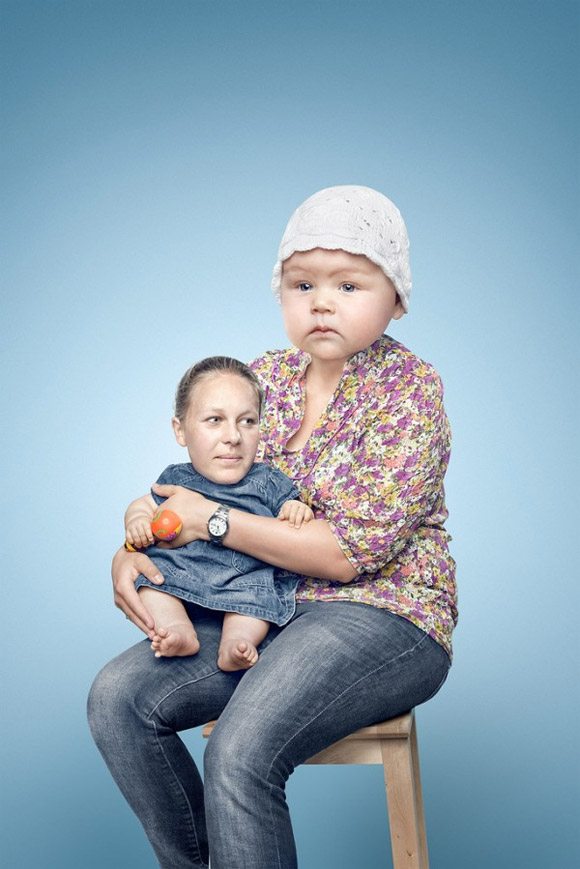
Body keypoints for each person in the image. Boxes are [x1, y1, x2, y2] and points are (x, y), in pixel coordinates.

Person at [88, 185, 458, 869]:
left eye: (350, 283)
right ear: (280, 292)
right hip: (262, 609)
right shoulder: (260, 380)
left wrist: (216, 523)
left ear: (396, 297)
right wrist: (131, 550)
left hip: (381, 616)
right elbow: (192, 489)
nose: (322, 301)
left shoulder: (411, 391)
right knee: (118, 698)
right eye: (302, 283)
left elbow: (348, 555)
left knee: (241, 747)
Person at [125, 355, 312, 671]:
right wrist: (137, 521)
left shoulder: (266, 480)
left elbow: (292, 509)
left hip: (244, 579)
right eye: (214, 420)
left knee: (254, 607)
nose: (233, 437)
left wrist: (296, 508)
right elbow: (144, 503)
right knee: (151, 585)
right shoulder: (177, 478)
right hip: (182, 572)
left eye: (247, 421)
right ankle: (178, 630)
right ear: (180, 430)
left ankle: (234, 647)